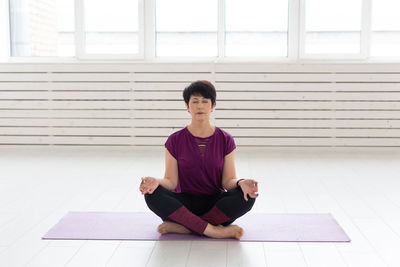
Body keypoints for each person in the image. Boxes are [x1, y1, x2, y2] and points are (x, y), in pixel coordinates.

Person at [139, 80, 259, 239]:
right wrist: (156, 181)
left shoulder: (225, 139)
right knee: (152, 194)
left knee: (246, 196)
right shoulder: (175, 140)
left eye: (205, 101)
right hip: (183, 204)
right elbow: (171, 182)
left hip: (214, 205)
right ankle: (214, 231)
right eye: (194, 101)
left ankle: (185, 227)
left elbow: (228, 181)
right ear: (187, 106)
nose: (200, 106)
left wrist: (241, 182)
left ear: (213, 105)